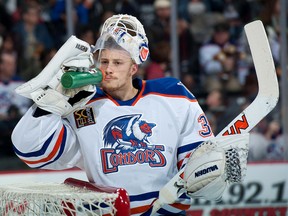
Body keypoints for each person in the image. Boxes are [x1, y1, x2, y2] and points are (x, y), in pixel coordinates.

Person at [12, 14, 247, 215]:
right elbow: (30, 152)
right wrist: (51, 104)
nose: (108, 69)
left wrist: (209, 171)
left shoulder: (174, 95)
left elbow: (197, 162)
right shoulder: (82, 105)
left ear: (134, 67)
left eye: (117, 62)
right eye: (103, 61)